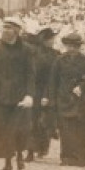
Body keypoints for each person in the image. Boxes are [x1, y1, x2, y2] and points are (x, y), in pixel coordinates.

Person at [0, 16, 38, 170]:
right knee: (3, 130)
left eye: (8, 28)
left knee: (18, 129)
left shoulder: (27, 50)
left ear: (16, 31)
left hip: (19, 96)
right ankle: (7, 162)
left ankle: (20, 156)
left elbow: (30, 74)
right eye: (4, 28)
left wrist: (29, 95)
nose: (5, 31)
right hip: (0, 95)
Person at [51, 30, 85, 166]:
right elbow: (53, 81)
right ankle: (66, 157)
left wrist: (83, 86)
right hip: (64, 98)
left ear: (79, 47)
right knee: (65, 130)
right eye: (69, 46)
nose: (71, 49)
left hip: (80, 100)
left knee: (81, 128)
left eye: (75, 46)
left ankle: (80, 157)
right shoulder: (59, 60)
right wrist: (52, 100)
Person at [27, 27, 59, 162]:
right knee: (32, 120)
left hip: (49, 90)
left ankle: (42, 147)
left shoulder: (56, 54)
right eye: (51, 39)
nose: (53, 41)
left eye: (53, 39)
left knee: (45, 121)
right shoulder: (35, 53)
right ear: (45, 40)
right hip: (35, 90)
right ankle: (30, 150)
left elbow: (56, 76)